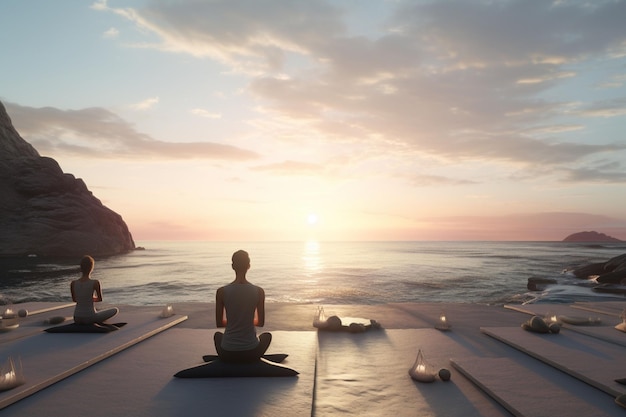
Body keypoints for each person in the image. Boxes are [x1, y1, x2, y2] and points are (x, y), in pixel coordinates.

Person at [214, 250, 271, 362]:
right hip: (251, 352)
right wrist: (247, 321)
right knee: (267, 336)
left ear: (232, 266)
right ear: (249, 266)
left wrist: (234, 322)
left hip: (227, 353)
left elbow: (219, 323)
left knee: (217, 336)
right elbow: (260, 323)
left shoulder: (221, 292)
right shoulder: (259, 291)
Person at [70, 255, 119, 325]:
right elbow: (99, 299)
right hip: (90, 318)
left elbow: (75, 300)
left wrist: (84, 298)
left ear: (81, 268)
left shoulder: (73, 283)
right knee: (115, 310)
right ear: (92, 268)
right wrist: (90, 298)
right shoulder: (95, 282)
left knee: (97, 311)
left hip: (77, 317)